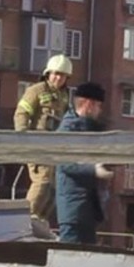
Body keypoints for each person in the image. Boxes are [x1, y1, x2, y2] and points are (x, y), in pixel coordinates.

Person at [14, 54, 72, 224]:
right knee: (43, 182)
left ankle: (39, 221)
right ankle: (23, 221)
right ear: (48, 73)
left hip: (55, 149)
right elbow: (21, 113)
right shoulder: (36, 90)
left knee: (54, 189)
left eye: (62, 75)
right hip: (38, 146)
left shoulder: (64, 96)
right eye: (55, 73)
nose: (58, 78)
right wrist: (22, 138)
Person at [55, 82, 113, 244]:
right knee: (71, 256)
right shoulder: (68, 129)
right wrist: (94, 170)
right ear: (88, 104)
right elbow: (65, 162)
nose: (99, 111)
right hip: (73, 208)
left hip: (85, 205)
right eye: (98, 106)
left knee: (87, 256)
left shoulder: (87, 128)